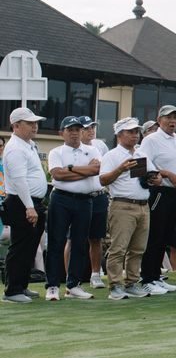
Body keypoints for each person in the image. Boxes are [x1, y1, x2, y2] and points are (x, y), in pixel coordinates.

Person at [98, 117, 160, 299]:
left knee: (138, 248)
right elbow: (103, 180)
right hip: (122, 205)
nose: (135, 135)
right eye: (130, 132)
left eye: (136, 132)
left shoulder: (140, 154)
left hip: (142, 205)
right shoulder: (112, 155)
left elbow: (153, 176)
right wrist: (120, 169)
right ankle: (115, 285)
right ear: (119, 134)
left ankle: (132, 282)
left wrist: (154, 179)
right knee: (119, 248)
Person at [46, 116, 104, 301]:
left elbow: (96, 170)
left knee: (80, 243)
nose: (74, 133)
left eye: (78, 129)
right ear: (61, 133)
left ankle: (74, 285)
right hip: (61, 199)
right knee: (56, 242)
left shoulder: (92, 149)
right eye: (70, 129)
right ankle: (53, 285)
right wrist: (83, 170)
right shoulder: (56, 151)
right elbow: (57, 175)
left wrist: (70, 169)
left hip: (85, 201)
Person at [2, 108, 49, 304]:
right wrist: (29, 207)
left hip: (32, 203)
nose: (34, 126)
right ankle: (12, 290)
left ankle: (21, 285)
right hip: (22, 203)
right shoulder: (15, 148)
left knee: (30, 247)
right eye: (29, 123)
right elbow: (19, 180)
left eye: (35, 123)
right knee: (20, 247)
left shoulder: (29, 145)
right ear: (16, 126)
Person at [139, 105, 176, 294]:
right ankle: (147, 278)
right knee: (154, 235)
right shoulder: (151, 140)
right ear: (159, 120)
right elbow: (143, 164)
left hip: (174, 193)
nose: (172, 121)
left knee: (165, 235)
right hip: (159, 192)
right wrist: (167, 174)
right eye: (168, 118)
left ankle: (156, 276)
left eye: (175, 117)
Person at [80, 117, 110, 289]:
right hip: (81, 196)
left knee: (96, 238)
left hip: (99, 195)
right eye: (87, 128)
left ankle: (95, 274)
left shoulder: (100, 145)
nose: (91, 130)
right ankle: (71, 275)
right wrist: (89, 168)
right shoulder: (74, 148)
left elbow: (102, 168)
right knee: (74, 239)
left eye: (92, 127)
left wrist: (93, 168)